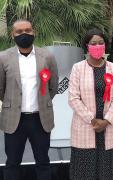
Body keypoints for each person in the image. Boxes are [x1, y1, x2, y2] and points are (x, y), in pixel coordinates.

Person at [0, 19, 58, 180]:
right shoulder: (3, 57)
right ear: (13, 35)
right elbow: (1, 88)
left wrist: (42, 102)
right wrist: (12, 103)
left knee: (43, 162)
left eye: (28, 30)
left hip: (40, 119)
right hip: (14, 120)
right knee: (12, 163)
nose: (24, 34)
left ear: (34, 32)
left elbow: (53, 86)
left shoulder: (47, 56)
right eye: (19, 31)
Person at [68, 28, 113, 180]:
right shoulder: (78, 68)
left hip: (107, 128)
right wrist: (92, 120)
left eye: (101, 43)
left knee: (105, 172)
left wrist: (106, 121)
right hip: (85, 126)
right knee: (83, 172)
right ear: (87, 45)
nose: (97, 46)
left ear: (105, 45)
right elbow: (73, 98)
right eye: (93, 43)